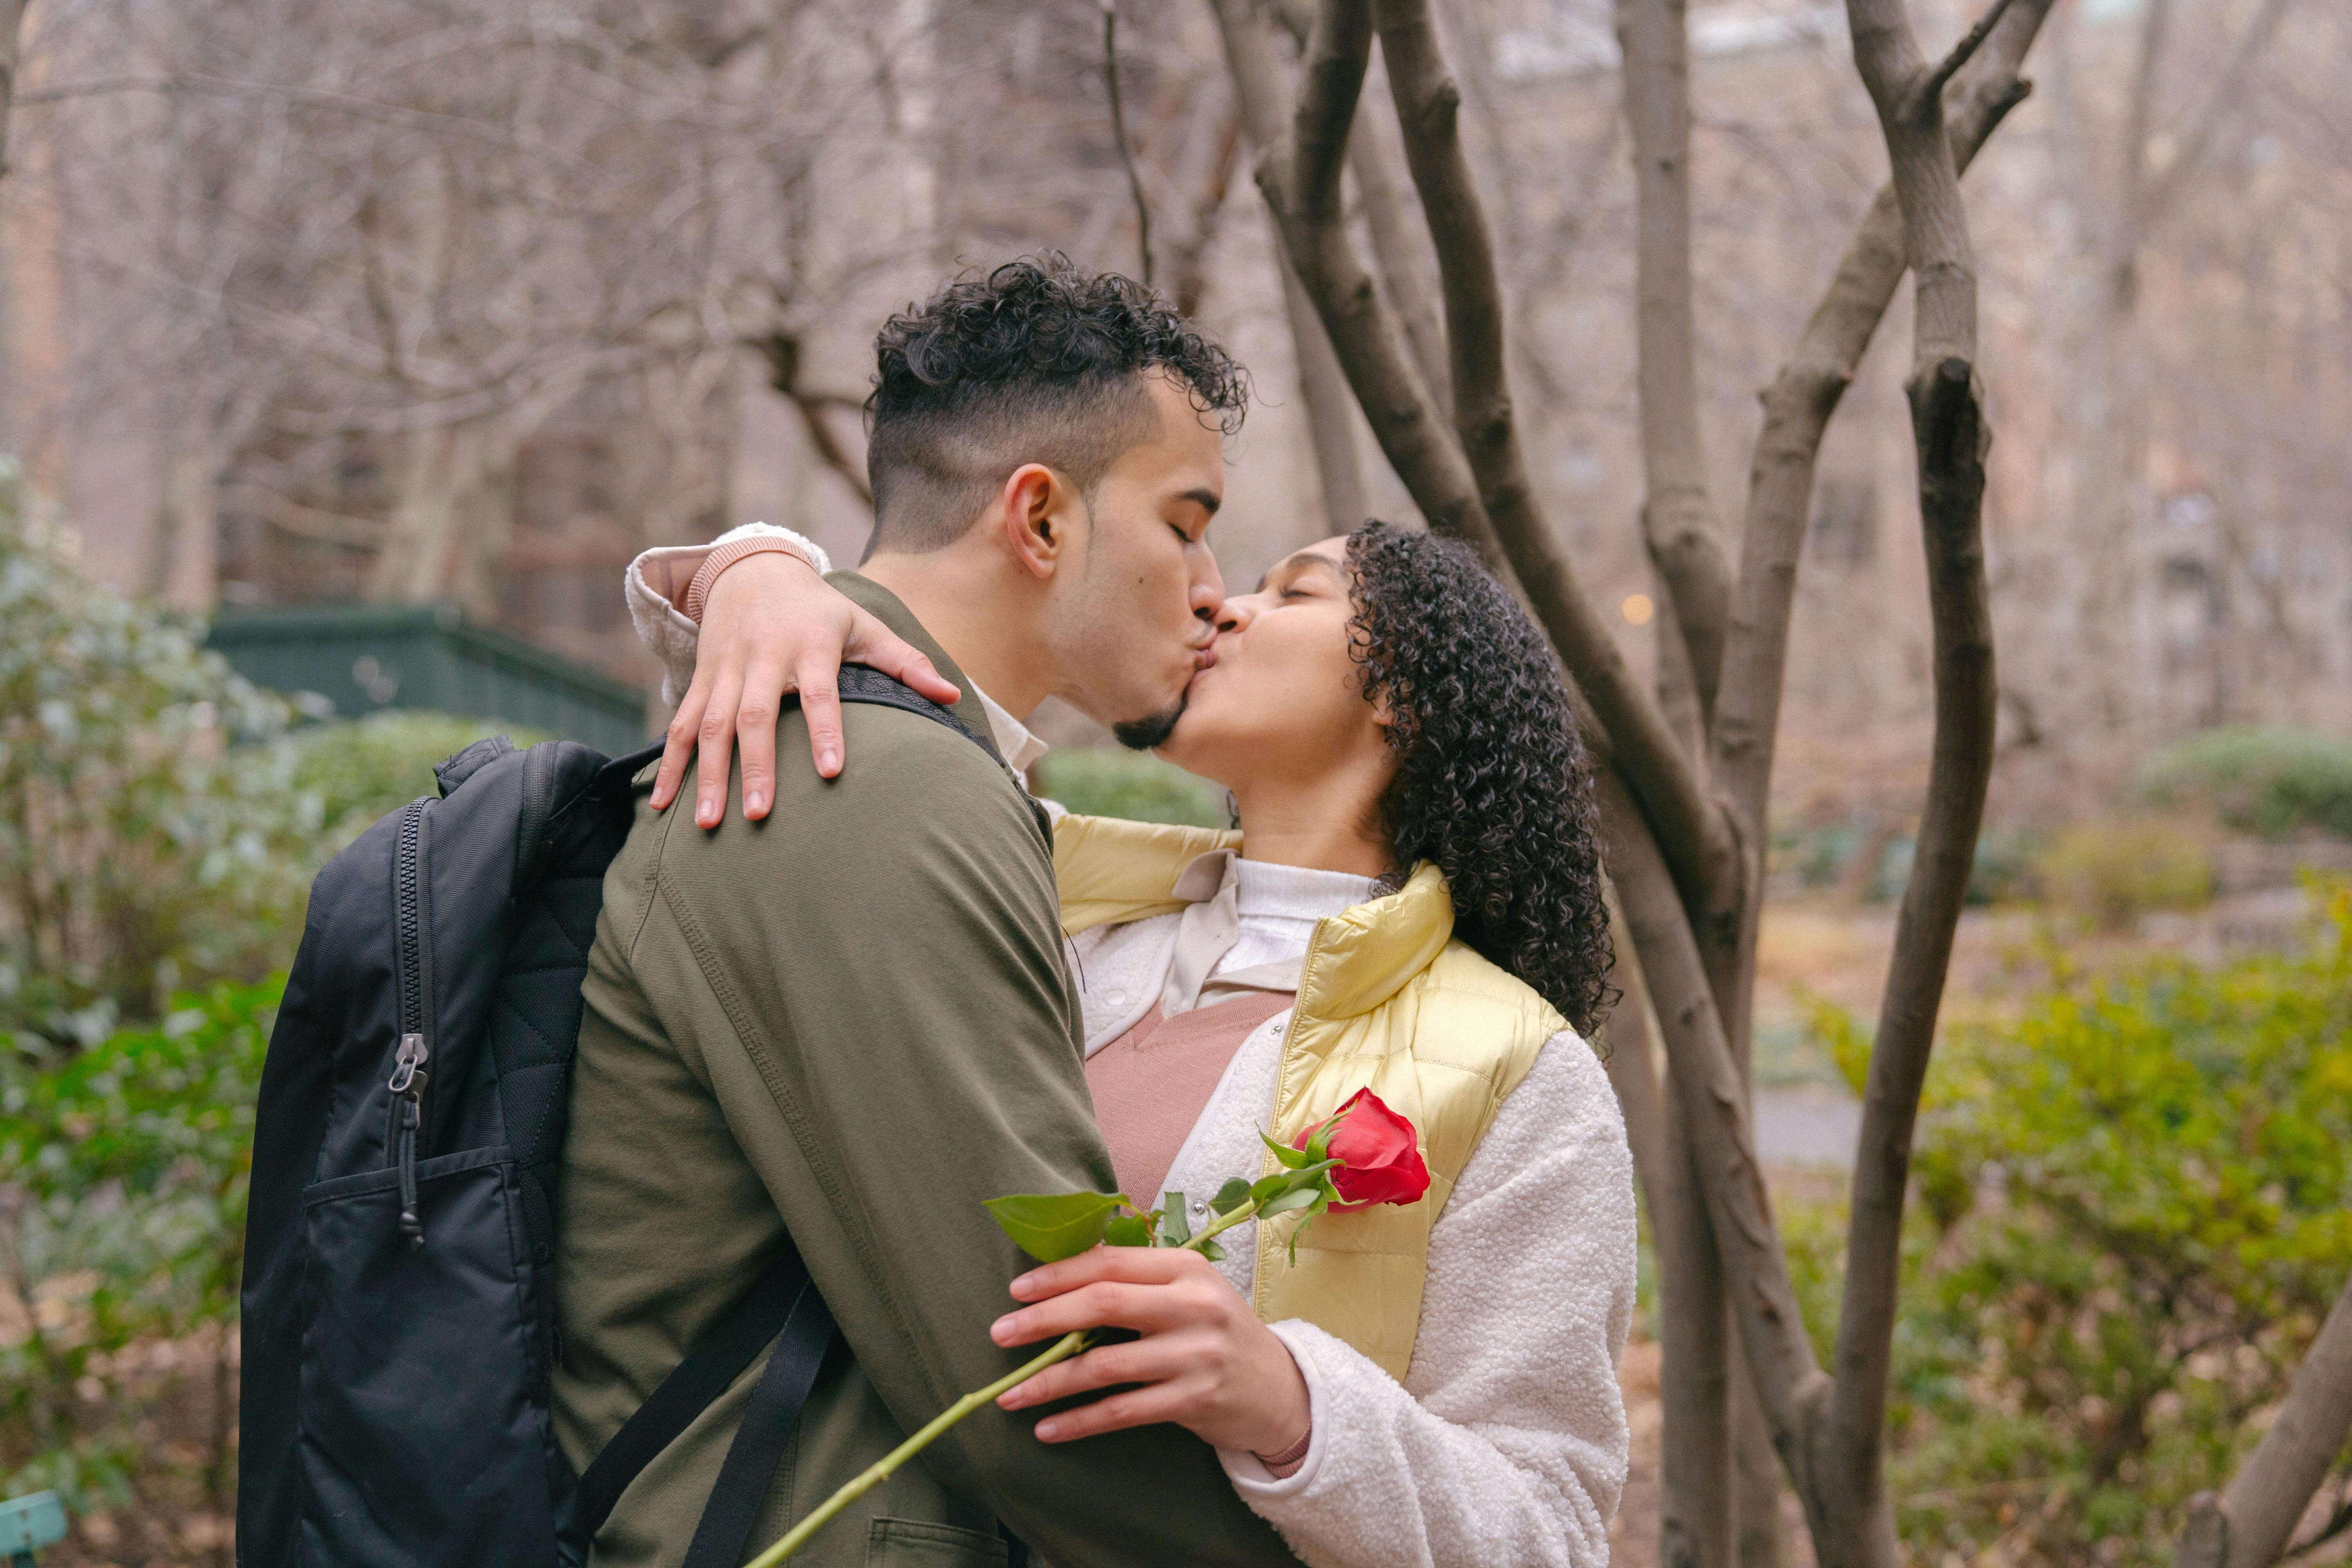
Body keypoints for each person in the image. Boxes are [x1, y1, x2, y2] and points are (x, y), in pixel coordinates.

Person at [630, 508, 1638, 1567]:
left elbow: (1551, 1531)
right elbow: (827, 721)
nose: (1223, 607)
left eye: (1292, 593)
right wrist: (761, 565)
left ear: (1402, 697)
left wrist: (1295, 1409)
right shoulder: (1048, 904)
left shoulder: (1521, 1071)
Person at [553, 258, 1304, 1567]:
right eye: (1185, 522)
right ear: (1041, 519)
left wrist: (751, 562)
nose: (1209, 585)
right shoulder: (871, 780)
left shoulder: (896, 759)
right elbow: (1037, 1364)